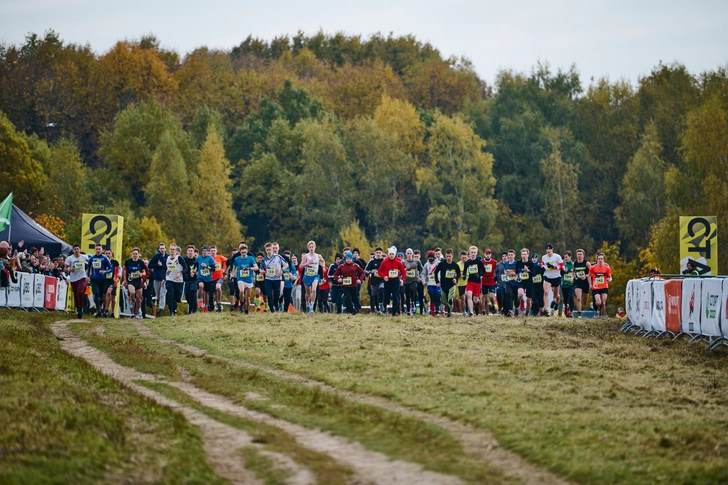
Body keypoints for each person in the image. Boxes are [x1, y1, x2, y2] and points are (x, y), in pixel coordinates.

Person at [261, 242, 288, 313]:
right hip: (268, 279)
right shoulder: (264, 259)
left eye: (270, 249)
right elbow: (261, 269)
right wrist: (264, 271)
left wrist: (282, 270)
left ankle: (276, 306)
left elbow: (286, 264)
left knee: (276, 296)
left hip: (277, 279)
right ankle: (272, 311)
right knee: (269, 295)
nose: (268, 251)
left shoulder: (278, 257)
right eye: (267, 250)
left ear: (272, 250)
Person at [378, 246, 405, 316]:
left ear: (395, 254)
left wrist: (402, 279)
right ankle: (384, 307)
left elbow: (403, 272)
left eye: (393, 254)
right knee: (386, 297)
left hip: (395, 281)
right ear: (388, 254)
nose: (391, 256)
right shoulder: (385, 262)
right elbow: (379, 271)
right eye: (390, 254)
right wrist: (384, 277)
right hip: (387, 281)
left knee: (395, 297)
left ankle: (394, 312)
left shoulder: (398, 262)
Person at [64, 244, 90, 319]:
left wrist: (89, 274)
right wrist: (69, 269)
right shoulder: (69, 258)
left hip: (82, 277)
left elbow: (91, 263)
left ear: (80, 250)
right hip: (73, 278)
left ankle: (81, 306)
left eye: (77, 249)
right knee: (75, 294)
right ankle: (78, 307)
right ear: (73, 251)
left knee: (80, 291)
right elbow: (65, 269)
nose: (76, 250)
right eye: (75, 249)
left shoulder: (84, 257)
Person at [87, 244, 112, 317]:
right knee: (96, 293)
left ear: (102, 250)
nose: (98, 250)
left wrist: (104, 271)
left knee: (101, 296)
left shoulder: (105, 258)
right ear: (94, 250)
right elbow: (88, 269)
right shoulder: (92, 258)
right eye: (96, 249)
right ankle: (98, 310)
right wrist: (88, 276)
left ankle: (101, 308)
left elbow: (111, 269)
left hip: (103, 279)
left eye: (99, 249)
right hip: (94, 279)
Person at [122, 248, 148, 319]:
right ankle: (132, 312)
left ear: (138, 255)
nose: (135, 255)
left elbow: (144, 272)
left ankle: (136, 313)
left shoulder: (141, 262)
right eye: (133, 254)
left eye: (136, 254)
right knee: (132, 293)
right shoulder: (128, 262)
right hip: (131, 281)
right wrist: (125, 280)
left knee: (139, 299)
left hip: (138, 281)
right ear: (131, 254)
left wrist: (141, 274)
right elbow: (124, 270)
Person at [232, 244, 258, 314]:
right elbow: (234, 268)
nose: (244, 254)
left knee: (248, 298)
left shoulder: (251, 258)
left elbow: (256, 267)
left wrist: (249, 268)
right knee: (241, 291)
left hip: (249, 279)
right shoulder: (237, 259)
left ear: (247, 251)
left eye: (245, 252)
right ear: (240, 252)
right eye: (242, 252)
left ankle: (246, 310)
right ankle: (242, 303)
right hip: (240, 279)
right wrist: (233, 274)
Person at [435, 249, 461, 317]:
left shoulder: (455, 265)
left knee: (450, 299)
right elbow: (436, 272)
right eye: (447, 256)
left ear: (452, 256)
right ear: (445, 256)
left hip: (451, 285)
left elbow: (458, 274)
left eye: (450, 256)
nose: (448, 258)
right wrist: (437, 282)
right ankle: (447, 306)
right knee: (444, 301)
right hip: (443, 285)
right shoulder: (441, 264)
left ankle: (449, 312)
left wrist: (456, 279)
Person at [300, 240, 324, 314]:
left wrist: (322, 267)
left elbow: (323, 261)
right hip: (307, 275)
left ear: (315, 247)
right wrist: (308, 263)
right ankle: (307, 304)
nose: (311, 248)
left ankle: (311, 307)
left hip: (315, 275)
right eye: (310, 247)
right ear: (308, 248)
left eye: (312, 247)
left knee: (314, 290)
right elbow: (301, 266)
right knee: (308, 293)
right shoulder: (306, 256)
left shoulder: (318, 256)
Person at [164, 244, 187, 316]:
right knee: (170, 294)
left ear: (176, 251)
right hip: (169, 279)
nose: (172, 251)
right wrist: (167, 271)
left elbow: (186, 268)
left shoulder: (179, 258)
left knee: (176, 298)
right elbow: (167, 268)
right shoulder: (167, 258)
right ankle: (171, 311)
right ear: (169, 250)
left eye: (173, 249)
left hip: (178, 280)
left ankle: (174, 310)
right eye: (171, 249)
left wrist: (180, 273)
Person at [463, 246, 486, 317]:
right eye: (472, 252)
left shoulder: (479, 262)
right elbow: (464, 272)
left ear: (476, 253)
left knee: (475, 300)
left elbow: (484, 271)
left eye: (474, 252)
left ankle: (478, 303)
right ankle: (471, 312)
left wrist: (479, 275)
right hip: (470, 281)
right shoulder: (467, 263)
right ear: (469, 253)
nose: (473, 254)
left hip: (477, 282)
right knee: (469, 295)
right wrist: (464, 276)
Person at [541, 244, 564, 316]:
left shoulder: (557, 257)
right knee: (546, 292)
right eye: (547, 249)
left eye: (550, 249)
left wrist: (553, 267)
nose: (548, 250)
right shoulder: (544, 257)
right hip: (547, 276)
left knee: (556, 295)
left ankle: (557, 303)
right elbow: (542, 264)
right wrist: (542, 267)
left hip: (556, 277)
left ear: (552, 249)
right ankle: (546, 309)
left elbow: (562, 267)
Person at [589, 252, 612, 317]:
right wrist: (590, 284)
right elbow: (589, 276)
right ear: (597, 259)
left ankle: (601, 316)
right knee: (598, 302)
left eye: (601, 258)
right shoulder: (593, 267)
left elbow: (610, 276)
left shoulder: (607, 267)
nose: (600, 260)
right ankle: (595, 308)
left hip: (604, 287)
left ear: (604, 259)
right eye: (599, 258)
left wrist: (609, 279)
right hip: (596, 287)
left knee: (603, 303)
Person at [148, 243, 169, 315]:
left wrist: (165, 278)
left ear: (165, 249)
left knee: (163, 293)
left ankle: (161, 309)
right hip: (156, 278)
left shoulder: (168, 257)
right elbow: (149, 265)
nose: (162, 250)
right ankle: (159, 307)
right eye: (161, 248)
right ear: (159, 249)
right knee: (158, 294)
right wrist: (157, 264)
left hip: (164, 278)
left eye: (163, 248)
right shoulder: (156, 257)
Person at [402, 248, 423, 315]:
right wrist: (406, 269)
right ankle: (408, 310)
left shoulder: (417, 261)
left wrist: (420, 276)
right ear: (406, 254)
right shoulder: (403, 262)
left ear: (412, 254)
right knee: (407, 296)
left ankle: (413, 303)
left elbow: (422, 270)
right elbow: (401, 271)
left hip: (414, 280)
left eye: (410, 253)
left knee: (413, 289)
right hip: (406, 281)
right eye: (408, 253)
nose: (409, 255)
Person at [516, 248, 535, 317]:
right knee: (520, 294)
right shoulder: (518, 263)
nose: (524, 256)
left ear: (528, 255)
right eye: (522, 254)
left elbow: (534, 274)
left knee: (529, 301)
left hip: (529, 283)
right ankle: (521, 301)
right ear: (521, 255)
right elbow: (516, 271)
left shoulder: (531, 263)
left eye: (525, 254)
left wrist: (528, 270)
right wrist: (516, 276)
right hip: (521, 282)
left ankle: (527, 313)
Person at [196, 245, 216, 313]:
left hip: (208, 279)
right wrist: (193, 272)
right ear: (202, 251)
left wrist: (207, 267)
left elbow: (214, 269)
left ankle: (206, 307)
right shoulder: (198, 258)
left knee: (207, 294)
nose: (204, 252)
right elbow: (195, 267)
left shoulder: (210, 258)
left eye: (206, 251)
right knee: (201, 285)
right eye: (203, 251)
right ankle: (200, 300)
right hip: (200, 277)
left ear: (208, 252)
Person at [365, 247, 385, 314]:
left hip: (382, 280)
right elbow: (366, 270)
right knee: (374, 295)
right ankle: (378, 309)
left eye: (380, 253)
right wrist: (371, 271)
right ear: (375, 253)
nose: (378, 254)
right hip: (374, 281)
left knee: (381, 290)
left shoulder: (384, 261)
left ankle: (381, 303)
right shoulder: (372, 261)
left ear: (382, 253)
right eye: (377, 253)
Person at [572, 249, 590, 317]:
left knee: (585, 301)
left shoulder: (587, 263)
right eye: (578, 254)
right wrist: (572, 277)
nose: (579, 256)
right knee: (578, 298)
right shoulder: (575, 263)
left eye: (580, 254)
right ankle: (579, 314)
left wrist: (585, 276)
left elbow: (591, 273)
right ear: (576, 255)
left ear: (583, 255)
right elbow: (573, 272)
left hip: (585, 283)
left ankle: (583, 303)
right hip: (578, 282)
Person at [209, 245, 228, 312]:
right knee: (213, 293)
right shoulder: (208, 258)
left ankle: (219, 303)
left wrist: (224, 269)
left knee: (218, 287)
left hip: (219, 277)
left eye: (214, 250)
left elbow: (227, 261)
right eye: (211, 251)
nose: (213, 252)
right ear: (209, 252)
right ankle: (214, 304)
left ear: (216, 251)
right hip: (210, 278)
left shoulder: (220, 257)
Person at [422, 250, 441, 316]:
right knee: (432, 296)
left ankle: (438, 310)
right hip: (430, 284)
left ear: (434, 257)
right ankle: (432, 311)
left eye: (431, 257)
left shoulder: (438, 263)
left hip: (437, 283)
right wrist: (424, 281)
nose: (430, 258)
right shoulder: (426, 264)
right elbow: (423, 274)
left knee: (437, 296)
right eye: (429, 257)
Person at [103, 249, 120, 317]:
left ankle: (111, 311)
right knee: (104, 297)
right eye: (106, 253)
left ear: (111, 254)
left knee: (112, 296)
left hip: (112, 281)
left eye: (109, 253)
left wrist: (118, 277)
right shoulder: (103, 261)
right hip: (104, 281)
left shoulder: (115, 262)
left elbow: (119, 270)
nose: (107, 254)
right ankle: (105, 309)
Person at [480, 249, 497, 315]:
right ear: (484, 254)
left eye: (489, 254)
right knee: (485, 299)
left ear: (491, 255)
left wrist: (496, 279)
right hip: (484, 280)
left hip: (491, 280)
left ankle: (493, 306)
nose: (488, 255)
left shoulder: (494, 262)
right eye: (486, 254)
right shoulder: (481, 262)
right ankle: (486, 313)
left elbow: (496, 271)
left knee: (492, 296)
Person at [183, 245, 199, 314]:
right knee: (187, 294)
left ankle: (192, 310)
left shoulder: (196, 260)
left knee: (193, 292)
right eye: (189, 251)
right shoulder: (184, 259)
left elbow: (198, 269)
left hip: (194, 279)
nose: (190, 252)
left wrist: (196, 273)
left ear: (193, 252)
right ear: (187, 252)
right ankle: (192, 307)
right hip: (187, 279)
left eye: (191, 251)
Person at [503, 250, 518, 317]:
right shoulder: (506, 264)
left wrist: (512, 273)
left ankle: (517, 308)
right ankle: (510, 310)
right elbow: (505, 272)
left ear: (514, 255)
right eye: (509, 255)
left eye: (511, 255)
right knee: (509, 294)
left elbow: (518, 273)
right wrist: (506, 273)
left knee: (516, 297)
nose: (510, 256)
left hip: (516, 283)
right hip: (508, 282)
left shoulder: (516, 263)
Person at [561, 251, 575, 317]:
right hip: (564, 285)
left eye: (566, 257)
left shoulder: (573, 264)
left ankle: (571, 312)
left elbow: (576, 273)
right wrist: (563, 271)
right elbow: (559, 274)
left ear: (570, 257)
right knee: (565, 299)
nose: (565, 258)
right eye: (564, 257)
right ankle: (566, 307)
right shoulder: (563, 264)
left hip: (571, 285)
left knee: (571, 297)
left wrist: (573, 277)